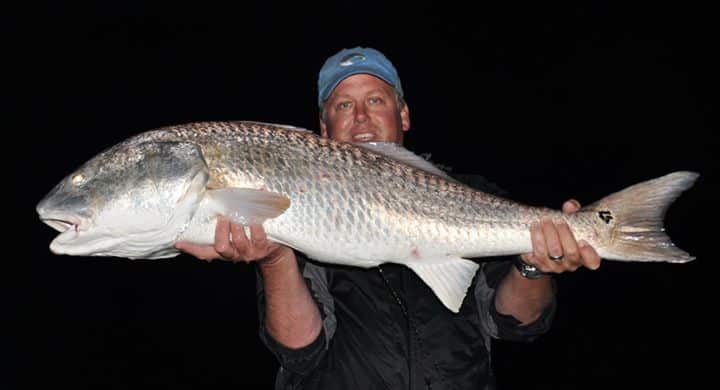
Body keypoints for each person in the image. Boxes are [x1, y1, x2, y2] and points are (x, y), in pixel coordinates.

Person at [176, 47, 601, 389]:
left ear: (404, 116)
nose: (360, 117)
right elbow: (300, 352)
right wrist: (274, 259)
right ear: (324, 128)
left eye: (375, 100)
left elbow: (516, 325)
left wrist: (533, 265)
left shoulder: (472, 192)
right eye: (343, 105)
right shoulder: (293, 204)